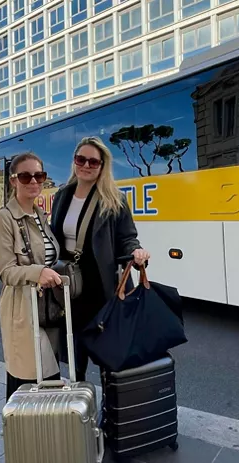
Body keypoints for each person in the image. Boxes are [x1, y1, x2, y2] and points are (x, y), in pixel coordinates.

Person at [49, 136, 151, 383]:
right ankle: (79, 405)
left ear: (102, 166)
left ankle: (111, 413)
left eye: (93, 161)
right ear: (74, 161)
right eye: (80, 159)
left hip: (101, 285)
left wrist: (136, 253)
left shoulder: (113, 199)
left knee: (107, 351)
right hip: (70, 283)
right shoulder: (63, 194)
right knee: (75, 351)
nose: (86, 165)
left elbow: (128, 237)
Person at [0, 152, 64, 403]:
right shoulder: (4, 219)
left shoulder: (40, 216)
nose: (33, 181)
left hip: (46, 306)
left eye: (39, 176)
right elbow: (6, 272)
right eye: (25, 176)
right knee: (29, 376)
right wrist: (38, 273)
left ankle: (48, 432)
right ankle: (25, 434)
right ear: (13, 181)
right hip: (22, 308)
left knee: (49, 373)